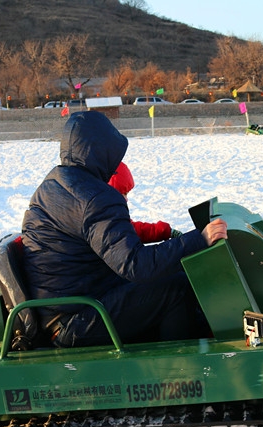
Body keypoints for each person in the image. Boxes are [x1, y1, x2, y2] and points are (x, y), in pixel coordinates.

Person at [21, 110, 227, 348]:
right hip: (76, 319)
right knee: (178, 289)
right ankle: (181, 371)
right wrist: (198, 239)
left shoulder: (52, 184)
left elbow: (118, 252)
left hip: (65, 308)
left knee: (172, 277)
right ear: (102, 151)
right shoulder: (95, 197)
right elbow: (136, 265)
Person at [108, 162, 181, 243]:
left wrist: (163, 231)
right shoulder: (104, 218)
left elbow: (132, 230)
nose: (126, 199)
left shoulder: (111, 213)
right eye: (124, 193)